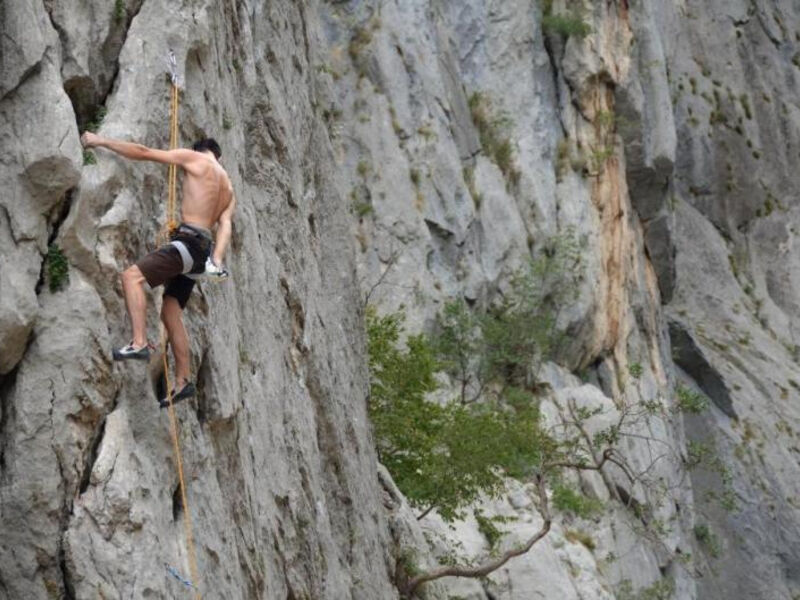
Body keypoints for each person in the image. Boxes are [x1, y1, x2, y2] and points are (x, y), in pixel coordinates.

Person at [80, 132, 235, 406]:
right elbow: (225, 225)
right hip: (202, 254)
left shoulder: (195, 158)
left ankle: (139, 342)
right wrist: (218, 259)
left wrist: (101, 141)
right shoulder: (228, 186)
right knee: (171, 310)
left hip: (187, 243)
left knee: (131, 277)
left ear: (200, 150)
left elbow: (143, 151)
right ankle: (183, 381)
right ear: (218, 155)